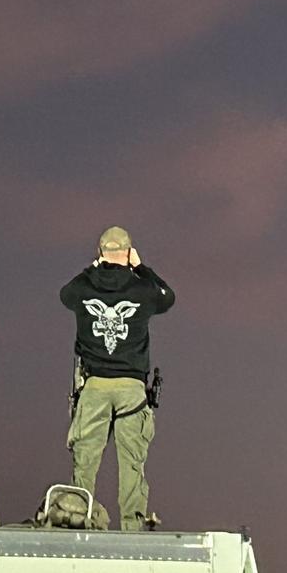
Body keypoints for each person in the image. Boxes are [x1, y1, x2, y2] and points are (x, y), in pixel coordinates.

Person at [59, 226, 174, 530]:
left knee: (84, 461)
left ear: (100, 253)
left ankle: (77, 522)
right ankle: (132, 527)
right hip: (131, 389)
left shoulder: (84, 288)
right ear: (127, 252)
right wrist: (140, 267)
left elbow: (65, 294)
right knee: (132, 464)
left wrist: (93, 267)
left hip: (94, 386)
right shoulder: (142, 290)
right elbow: (168, 296)